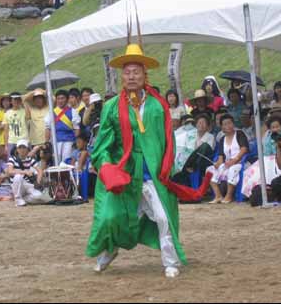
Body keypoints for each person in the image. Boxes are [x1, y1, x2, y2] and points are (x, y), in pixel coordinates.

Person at [86, 36, 211, 279]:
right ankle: (110, 251)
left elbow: (168, 140)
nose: (131, 76)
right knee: (113, 217)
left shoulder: (158, 106)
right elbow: (102, 145)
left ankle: (170, 261)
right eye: (127, 72)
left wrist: (167, 166)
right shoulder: (112, 107)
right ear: (121, 76)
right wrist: (107, 167)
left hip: (153, 173)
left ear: (145, 75)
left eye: (136, 71)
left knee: (163, 217)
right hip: (126, 174)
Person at [206, 114, 250, 204]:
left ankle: (229, 196)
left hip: (240, 162)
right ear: (221, 127)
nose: (228, 126)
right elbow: (221, 156)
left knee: (232, 169)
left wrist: (234, 160)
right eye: (225, 124)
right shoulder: (222, 139)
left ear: (233, 124)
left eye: (229, 123)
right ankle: (218, 195)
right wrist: (217, 164)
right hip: (227, 164)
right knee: (210, 170)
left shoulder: (239, 134)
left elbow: (244, 149)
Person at [7, 140, 50, 207]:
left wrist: (38, 182)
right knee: (18, 176)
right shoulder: (12, 159)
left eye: (24, 147)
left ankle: (23, 199)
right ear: (17, 149)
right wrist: (24, 172)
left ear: (27, 149)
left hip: (27, 184)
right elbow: (10, 171)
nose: (22, 149)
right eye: (20, 147)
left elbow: (40, 171)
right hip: (17, 184)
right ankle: (18, 199)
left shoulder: (30, 159)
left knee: (38, 196)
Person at [44, 89, 81, 163]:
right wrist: (47, 142)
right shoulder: (51, 112)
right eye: (58, 98)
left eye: (62, 98)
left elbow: (76, 128)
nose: (60, 101)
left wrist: (76, 142)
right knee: (56, 162)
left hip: (69, 141)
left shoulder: (73, 112)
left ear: (67, 99)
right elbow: (47, 128)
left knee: (67, 161)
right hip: (55, 141)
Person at [24, 89, 49, 158]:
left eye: (40, 98)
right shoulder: (31, 108)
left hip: (47, 141)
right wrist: (35, 91)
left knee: (48, 161)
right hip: (35, 141)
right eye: (36, 99)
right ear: (34, 101)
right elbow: (24, 99)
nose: (39, 100)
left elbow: (53, 98)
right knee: (37, 162)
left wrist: (42, 91)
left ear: (43, 99)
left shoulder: (48, 107)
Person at [4, 92, 28, 156]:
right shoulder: (7, 113)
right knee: (12, 160)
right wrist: (6, 145)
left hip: (24, 139)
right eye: (14, 99)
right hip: (12, 141)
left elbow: (29, 117)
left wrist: (24, 101)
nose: (16, 101)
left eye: (18, 99)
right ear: (11, 101)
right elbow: (6, 130)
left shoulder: (24, 111)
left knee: (26, 160)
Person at [0, 93, 11, 159]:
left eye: (7, 100)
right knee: (4, 158)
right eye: (4, 101)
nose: (6, 103)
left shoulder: (13, 111)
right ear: (2, 102)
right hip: (2, 140)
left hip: (13, 138)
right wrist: (8, 123)